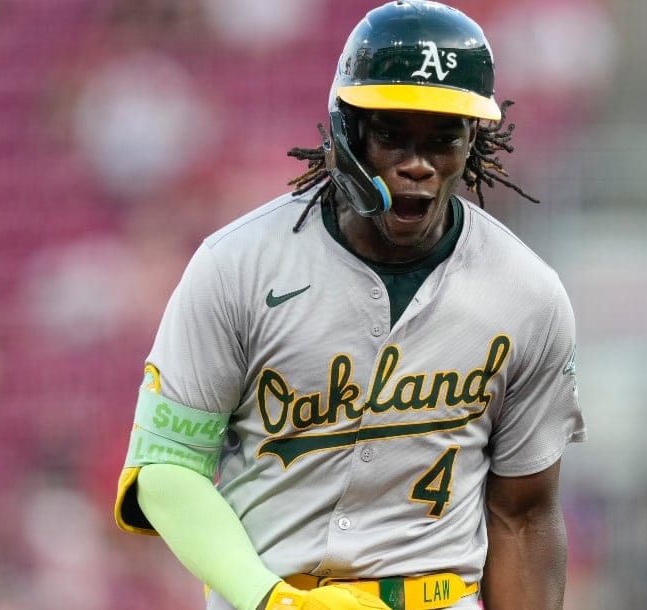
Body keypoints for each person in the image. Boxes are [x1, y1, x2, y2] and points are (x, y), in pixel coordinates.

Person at [113, 2, 586, 609]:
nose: (417, 164)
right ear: (344, 132)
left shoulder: (527, 294)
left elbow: (524, 515)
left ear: (474, 141)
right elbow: (166, 467)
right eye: (391, 135)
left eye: (443, 140)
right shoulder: (236, 266)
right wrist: (269, 600)